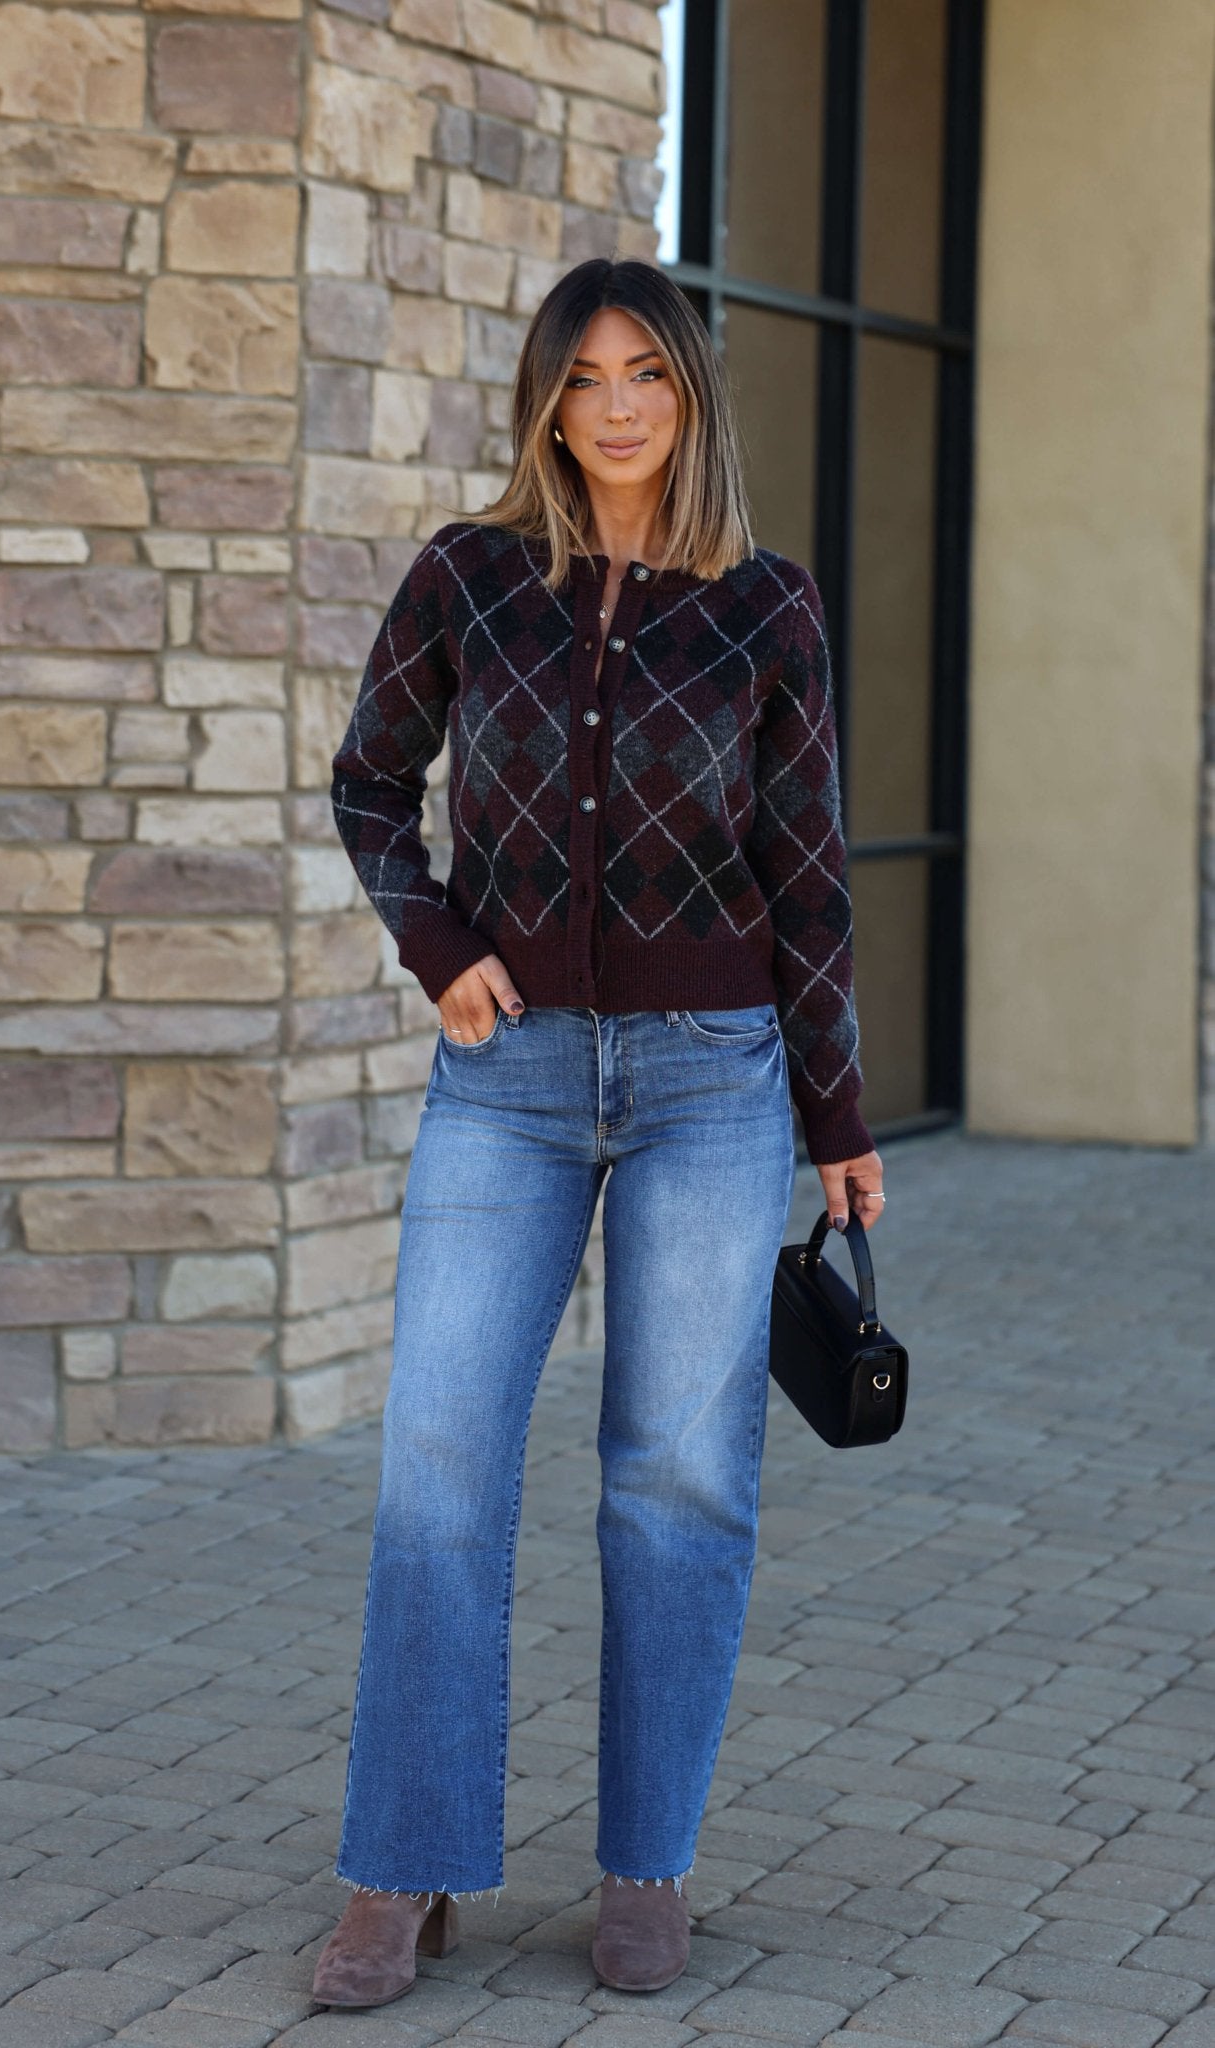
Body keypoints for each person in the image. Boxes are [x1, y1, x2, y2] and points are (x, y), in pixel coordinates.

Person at [310, 256, 886, 2012]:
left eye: (647, 372)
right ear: (546, 403)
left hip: (715, 1079)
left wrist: (837, 1111)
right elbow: (366, 782)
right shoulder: (471, 579)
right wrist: (438, 943)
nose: (617, 404)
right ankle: (402, 1873)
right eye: (584, 377)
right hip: (511, 1081)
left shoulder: (765, 606)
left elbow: (807, 876)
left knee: (678, 1478)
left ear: (691, 395)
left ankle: (647, 1865)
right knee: (436, 1471)